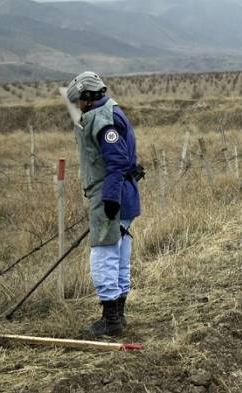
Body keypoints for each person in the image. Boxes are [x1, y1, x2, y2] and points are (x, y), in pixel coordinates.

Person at [66, 71, 142, 337]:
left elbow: (116, 160)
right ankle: (117, 317)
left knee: (104, 255)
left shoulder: (102, 119)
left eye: (79, 101)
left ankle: (110, 321)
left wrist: (110, 198)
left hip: (111, 195)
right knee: (119, 255)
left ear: (87, 97)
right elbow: (126, 156)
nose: (78, 106)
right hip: (123, 193)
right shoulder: (113, 110)